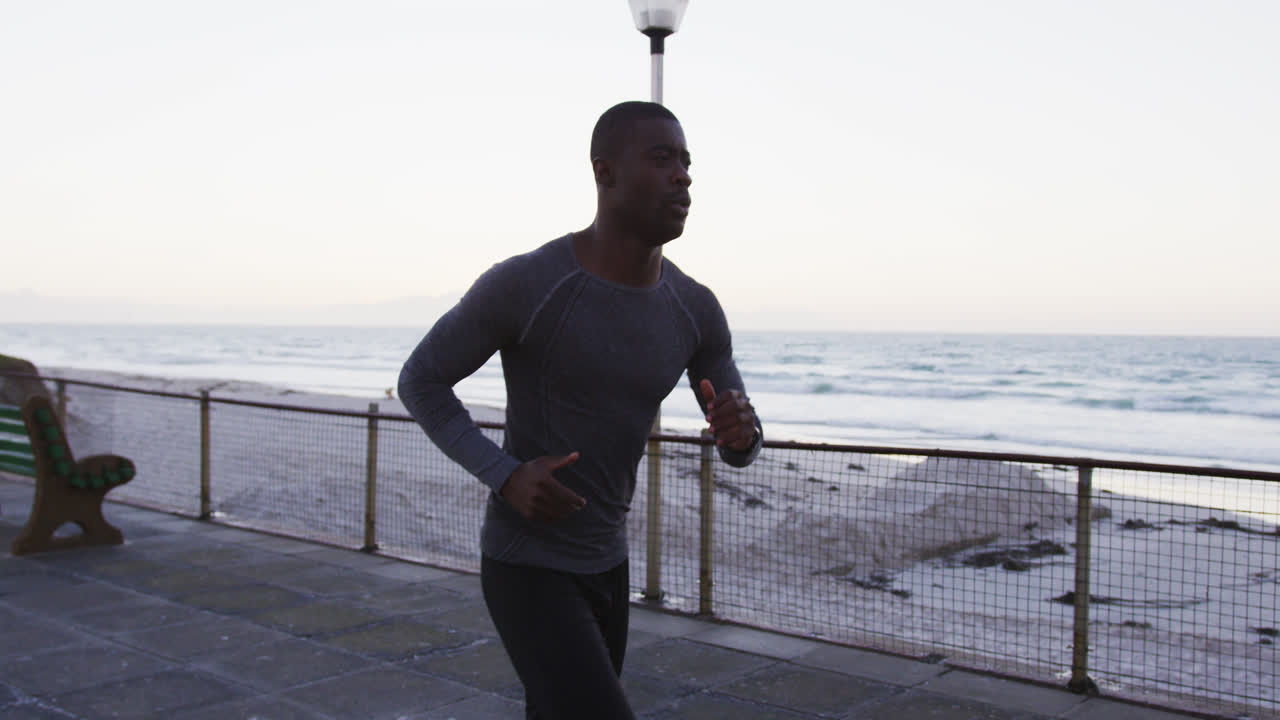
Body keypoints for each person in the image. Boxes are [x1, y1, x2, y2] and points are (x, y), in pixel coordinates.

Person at [398, 100, 762, 720]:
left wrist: (743, 432)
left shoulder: (695, 309)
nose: (683, 176)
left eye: (687, 162)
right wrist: (505, 474)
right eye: (661, 158)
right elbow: (422, 381)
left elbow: (741, 443)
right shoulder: (528, 284)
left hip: (608, 566)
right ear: (604, 173)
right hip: (526, 565)